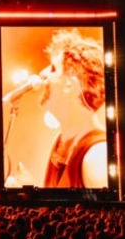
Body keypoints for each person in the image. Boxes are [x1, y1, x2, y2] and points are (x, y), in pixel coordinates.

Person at [40, 29, 107, 188]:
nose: (43, 74)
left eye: (53, 69)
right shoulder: (60, 140)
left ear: (72, 82)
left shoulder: (97, 157)